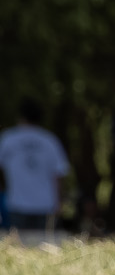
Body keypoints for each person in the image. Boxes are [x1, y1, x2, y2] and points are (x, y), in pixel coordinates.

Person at [0, 102, 73, 238]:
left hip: (17, 203)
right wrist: (59, 202)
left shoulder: (8, 138)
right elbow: (58, 174)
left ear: (21, 117)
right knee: (43, 247)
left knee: (19, 249)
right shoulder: (50, 140)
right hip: (45, 204)